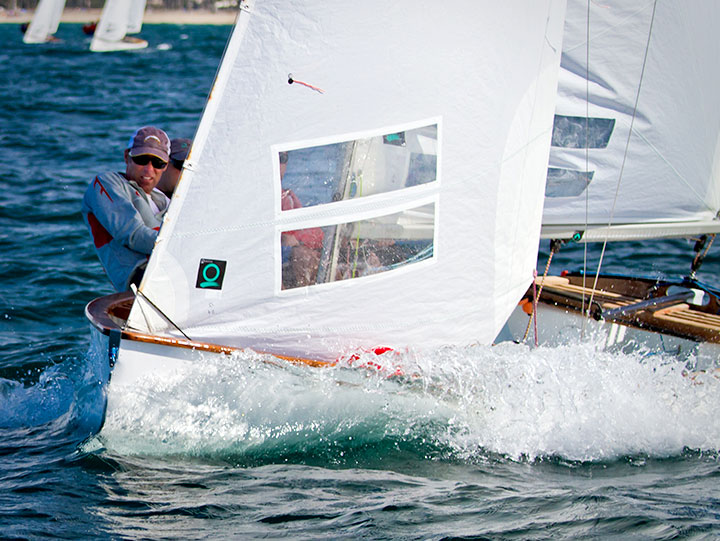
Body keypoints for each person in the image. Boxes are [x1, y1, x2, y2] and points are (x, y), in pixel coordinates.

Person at [81, 126, 171, 291]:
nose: (149, 169)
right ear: (126, 157)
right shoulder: (107, 183)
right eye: (142, 159)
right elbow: (133, 236)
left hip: (174, 269)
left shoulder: (164, 199)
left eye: (158, 163)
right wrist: (181, 245)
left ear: (165, 166)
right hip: (142, 278)